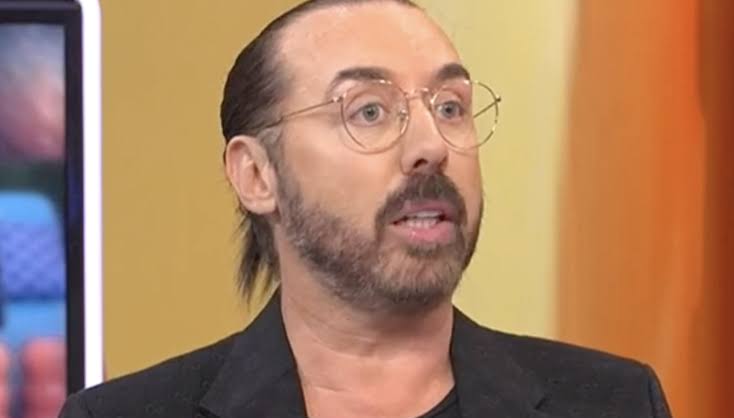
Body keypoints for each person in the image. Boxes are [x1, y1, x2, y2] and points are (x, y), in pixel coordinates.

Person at [59, 1, 672, 417]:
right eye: (369, 112)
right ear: (257, 175)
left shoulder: (613, 402)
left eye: (451, 107)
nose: (432, 145)